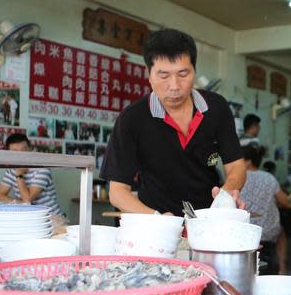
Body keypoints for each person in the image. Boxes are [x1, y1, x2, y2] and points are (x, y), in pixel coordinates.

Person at [101, 28, 245, 215]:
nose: (175, 86)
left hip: (207, 220)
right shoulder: (132, 119)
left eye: (183, 74)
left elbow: (236, 166)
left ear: (194, 70)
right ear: (149, 74)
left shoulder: (216, 108)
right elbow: (118, 192)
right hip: (155, 227)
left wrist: (225, 198)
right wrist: (157, 220)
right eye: (164, 75)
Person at [240, 146, 289, 274]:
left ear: (248, 161)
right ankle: (282, 269)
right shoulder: (269, 178)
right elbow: (285, 201)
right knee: (282, 232)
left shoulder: (238, 179)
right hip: (268, 231)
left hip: (245, 232)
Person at [0, 133, 65, 217]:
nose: (20, 155)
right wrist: (20, 203)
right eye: (15, 152)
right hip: (30, 217)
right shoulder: (11, 170)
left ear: (30, 149)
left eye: (24, 150)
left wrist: (19, 175)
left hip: (52, 218)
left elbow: (27, 200)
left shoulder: (42, 168)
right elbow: (0, 195)